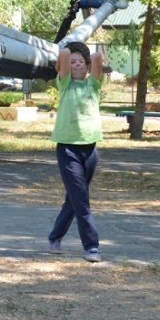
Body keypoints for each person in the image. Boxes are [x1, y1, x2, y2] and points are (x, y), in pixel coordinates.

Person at [48, 41, 104, 263]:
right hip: (68, 149)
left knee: (75, 198)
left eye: (81, 61)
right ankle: (91, 246)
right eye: (72, 62)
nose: (77, 64)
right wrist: (66, 57)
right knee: (81, 200)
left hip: (90, 150)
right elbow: (63, 53)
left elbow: (98, 57)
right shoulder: (65, 84)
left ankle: (55, 237)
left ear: (87, 65)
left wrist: (86, 57)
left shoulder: (94, 85)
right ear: (65, 67)